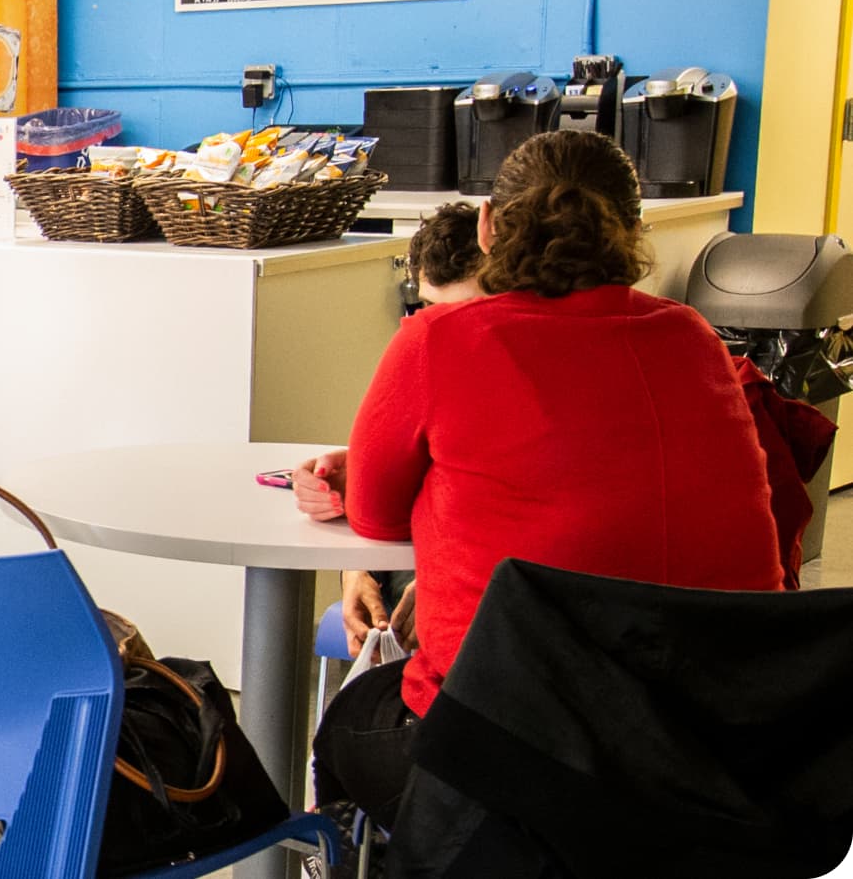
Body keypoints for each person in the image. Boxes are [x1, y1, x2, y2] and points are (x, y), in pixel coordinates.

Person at [295, 131, 783, 850]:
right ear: (636, 232)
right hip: (711, 758)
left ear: (488, 225)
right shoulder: (692, 337)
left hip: (511, 760)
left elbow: (371, 511)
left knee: (349, 723)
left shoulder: (439, 339)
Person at [338, 201, 485, 661]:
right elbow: (379, 496)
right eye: (428, 308)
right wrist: (354, 570)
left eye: (467, 311)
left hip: (470, 574)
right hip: (422, 559)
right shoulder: (421, 352)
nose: (442, 325)